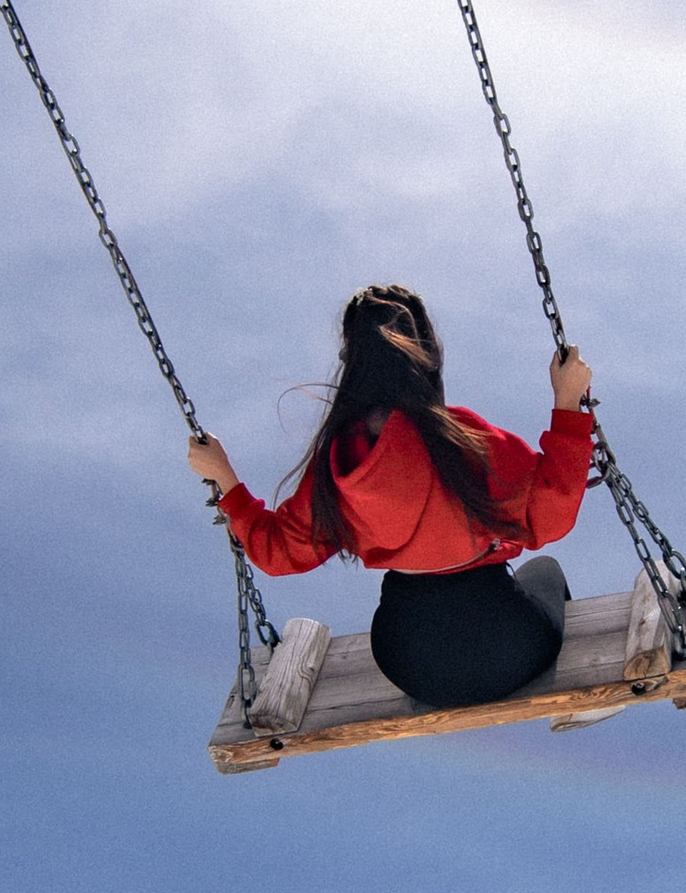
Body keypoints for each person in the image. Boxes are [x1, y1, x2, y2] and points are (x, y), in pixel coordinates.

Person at [186, 283, 592, 709]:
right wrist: (567, 404)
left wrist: (225, 480)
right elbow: (551, 515)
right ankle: (583, 708)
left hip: (411, 666)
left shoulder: (340, 462)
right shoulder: (460, 437)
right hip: (508, 650)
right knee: (544, 571)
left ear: (350, 362)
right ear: (430, 354)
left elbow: (278, 553)